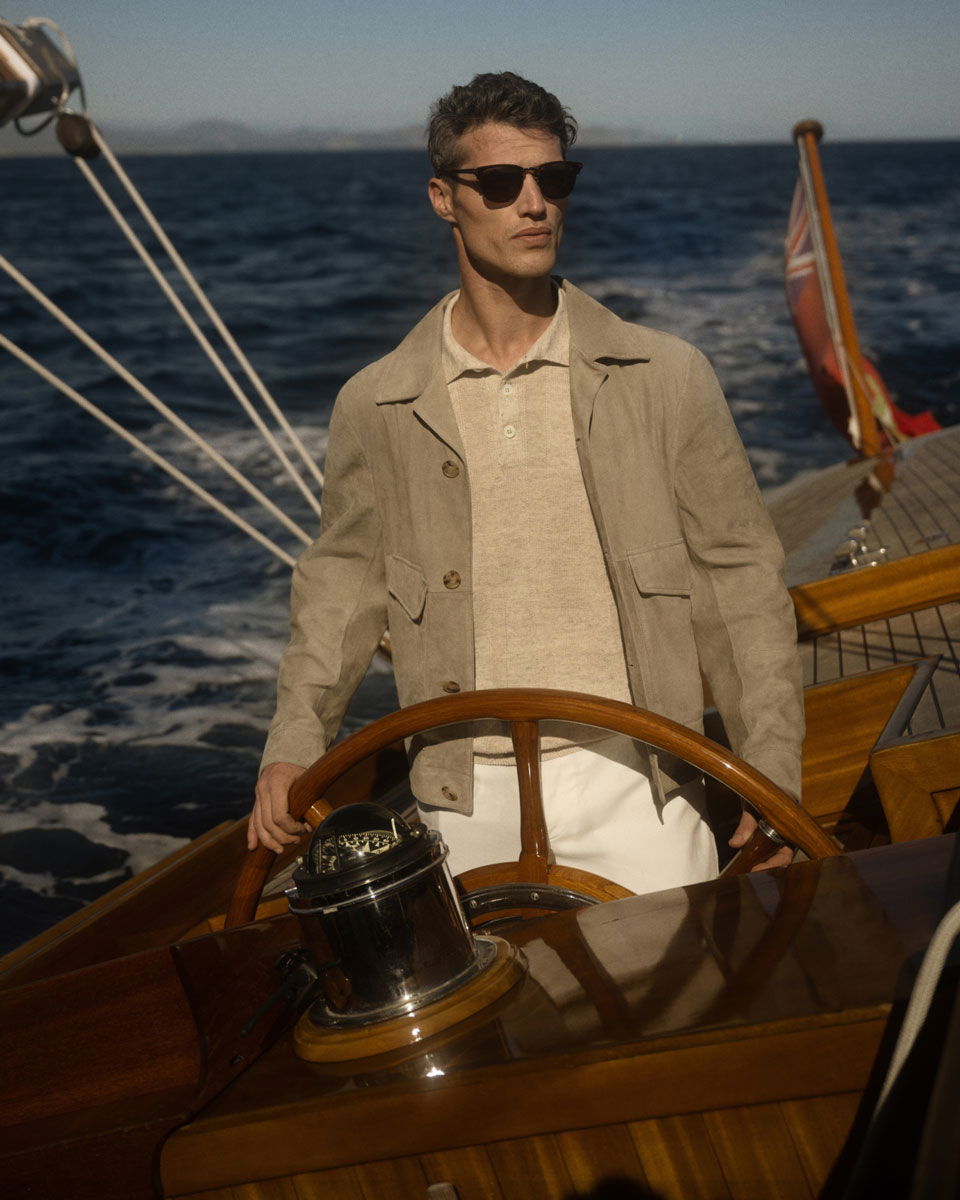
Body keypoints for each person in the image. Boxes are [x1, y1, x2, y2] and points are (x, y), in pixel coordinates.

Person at [248, 72, 803, 892]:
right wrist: (292, 745)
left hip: (643, 779)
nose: (534, 203)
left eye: (555, 179)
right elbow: (341, 586)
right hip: (461, 799)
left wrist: (771, 770)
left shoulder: (666, 377)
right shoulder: (376, 402)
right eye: (502, 183)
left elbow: (740, 585)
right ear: (445, 198)